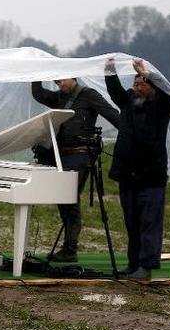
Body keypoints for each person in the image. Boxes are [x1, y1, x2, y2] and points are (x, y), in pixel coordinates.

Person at [31, 77, 120, 262]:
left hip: (80, 155)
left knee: (69, 198)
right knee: (63, 199)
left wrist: (129, 133)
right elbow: (38, 94)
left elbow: (113, 115)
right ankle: (68, 248)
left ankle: (70, 249)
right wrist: (36, 75)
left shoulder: (88, 95)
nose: (60, 85)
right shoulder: (60, 97)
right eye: (56, 83)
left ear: (73, 77)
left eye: (61, 81)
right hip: (62, 155)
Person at [104, 57, 170, 280]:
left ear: (152, 88)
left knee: (149, 223)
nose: (136, 85)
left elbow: (167, 93)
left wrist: (146, 72)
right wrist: (110, 71)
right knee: (132, 222)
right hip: (127, 175)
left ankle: (146, 266)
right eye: (135, 82)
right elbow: (115, 92)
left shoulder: (161, 106)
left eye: (142, 82)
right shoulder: (129, 102)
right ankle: (133, 264)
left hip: (150, 177)